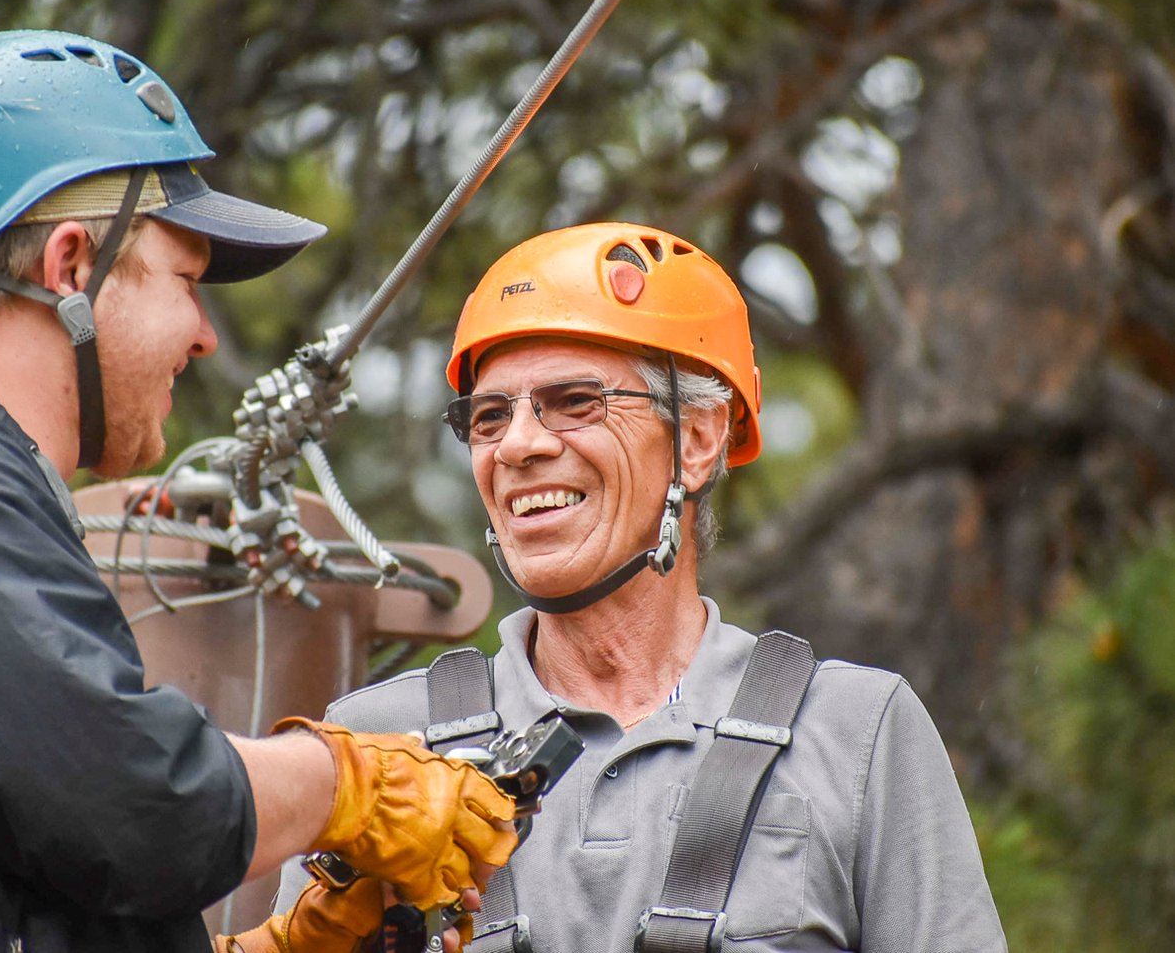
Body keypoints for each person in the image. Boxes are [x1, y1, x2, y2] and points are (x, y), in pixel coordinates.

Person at [0, 29, 516, 952]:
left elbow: (20, 869)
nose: (205, 336)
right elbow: (123, 803)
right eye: (185, 279)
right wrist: (345, 784)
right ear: (71, 267)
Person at [268, 222, 1009, 952]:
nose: (520, 444)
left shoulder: (854, 733)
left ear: (696, 440)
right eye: (489, 416)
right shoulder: (380, 746)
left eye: (574, 401)